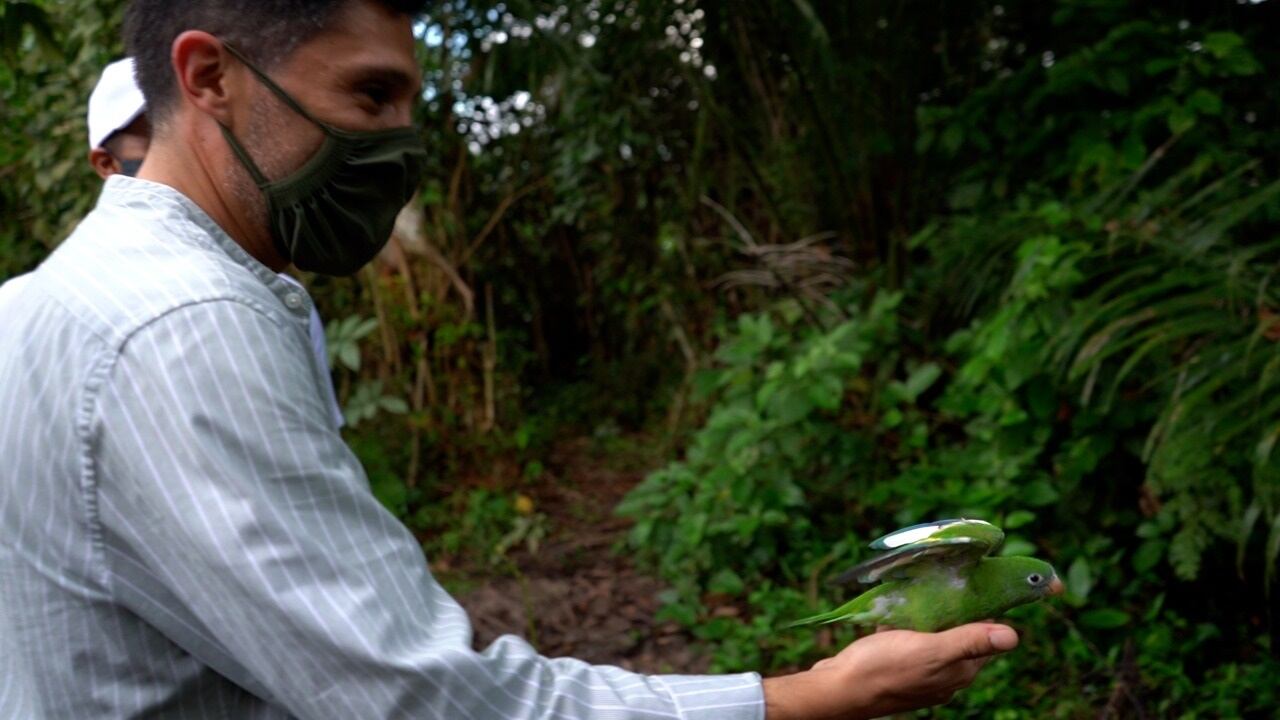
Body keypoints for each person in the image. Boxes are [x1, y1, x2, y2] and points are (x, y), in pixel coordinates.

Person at [0, 1, 1020, 718]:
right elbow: (415, 698)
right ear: (208, 76)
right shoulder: (186, 326)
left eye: (407, 101)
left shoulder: (43, 302)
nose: (402, 141)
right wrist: (796, 700)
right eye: (369, 96)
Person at [86, 54, 345, 427]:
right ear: (108, 166)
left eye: (205, 135)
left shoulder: (284, 301)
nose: (188, 162)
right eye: (158, 140)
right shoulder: (71, 306)